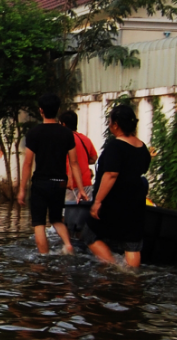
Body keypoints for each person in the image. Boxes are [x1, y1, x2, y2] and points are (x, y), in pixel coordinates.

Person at [18, 94, 89, 255]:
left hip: (40, 183)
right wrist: (81, 189)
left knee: (39, 223)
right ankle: (68, 245)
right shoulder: (66, 134)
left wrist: (22, 189)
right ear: (58, 110)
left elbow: (28, 163)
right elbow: (74, 163)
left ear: (40, 110)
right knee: (57, 219)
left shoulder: (34, 133)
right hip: (60, 183)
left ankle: (44, 257)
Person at [87, 105, 151, 268]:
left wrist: (98, 201)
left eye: (109, 122)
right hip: (135, 201)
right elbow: (142, 170)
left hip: (115, 201)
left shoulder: (115, 146)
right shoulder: (142, 147)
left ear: (116, 124)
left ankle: (115, 267)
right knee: (132, 245)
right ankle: (131, 279)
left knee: (90, 235)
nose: (109, 126)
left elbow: (111, 175)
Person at [59, 110, 98, 202]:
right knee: (84, 212)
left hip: (70, 185)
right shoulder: (85, 139)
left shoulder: (65, 140)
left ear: (63, 124)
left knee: (66, 213)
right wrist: (83, 160)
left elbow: (69, 161)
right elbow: (94, 158)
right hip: (86, 183)